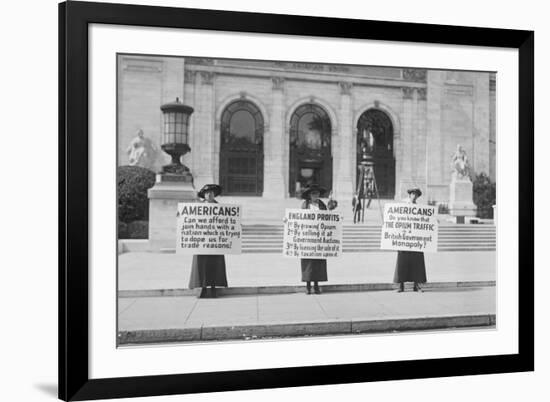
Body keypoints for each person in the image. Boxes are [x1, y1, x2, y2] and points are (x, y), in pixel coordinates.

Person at [188, 184, 228, 298]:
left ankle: (213, 288)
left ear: (214, 194)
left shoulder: (221, 208)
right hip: (201, 242)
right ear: (204, 195)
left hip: (215, 242)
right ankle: (203, 288)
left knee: (215, 265)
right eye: (207, 193)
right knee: (201, 265)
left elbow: (227, 222)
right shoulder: (197, 207)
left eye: (211, 193)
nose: (209, 195)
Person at [300, 184, 337, 294]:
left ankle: (316, 285)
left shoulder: (322, 205)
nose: (315, 195)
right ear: (309, 195)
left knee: (318, 263)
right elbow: (299, 218)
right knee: (308, 263)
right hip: (308, 238)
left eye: (317, 193)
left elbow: (327, 217)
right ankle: (308, 286)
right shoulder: (305, 205)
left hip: (319, 238)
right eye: (313, 194)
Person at [393, 187, 428, 292]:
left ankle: (416, 285)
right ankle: (401, 285)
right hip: (405, 239)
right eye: (413, 194)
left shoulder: (419, 208)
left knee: (417, 262)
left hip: (415, 240)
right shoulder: (403, 206)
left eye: (416, 195)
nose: (414, 196)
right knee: (402, 262)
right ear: (410, 195)